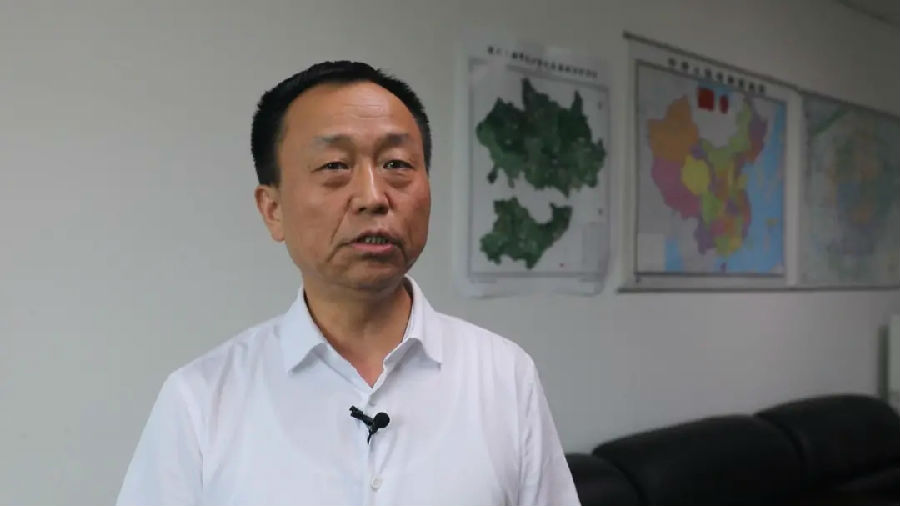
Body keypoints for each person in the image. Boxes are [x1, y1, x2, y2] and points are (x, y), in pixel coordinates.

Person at [117, 61, 579, 506]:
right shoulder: (200, 399)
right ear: (272, 209)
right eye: (335, 166)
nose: (373, 197)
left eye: (397, 164)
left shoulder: (504, 376)